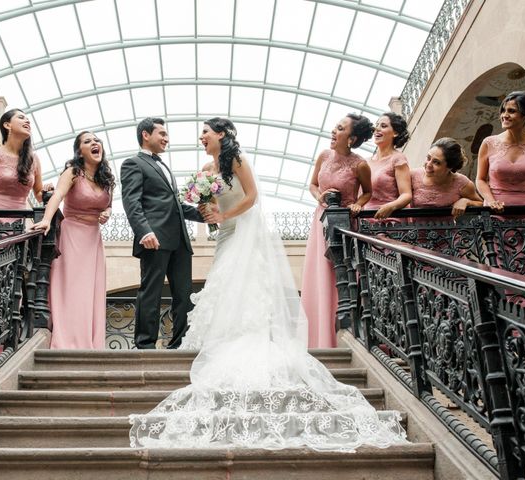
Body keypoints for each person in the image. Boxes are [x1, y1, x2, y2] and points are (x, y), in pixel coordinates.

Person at [128, 117, 406, 451]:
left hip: (243, 230)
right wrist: (208, 208)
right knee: (223, 285)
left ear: (222, 135)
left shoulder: (238, 160)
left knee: (242, 284)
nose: (201, 137)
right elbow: (206, 202)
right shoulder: (206, 166)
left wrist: (225, 216)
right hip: (225, 234)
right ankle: (220, 336)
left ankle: (243, 337)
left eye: (206, 132)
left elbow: (253, 197)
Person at [120, 117, 204, 350]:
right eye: (162, 134)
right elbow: (132, 202)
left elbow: (175, 205)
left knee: (184, 294)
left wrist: (203, 214)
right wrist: (144, 232)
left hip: (180, 241)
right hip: (154, 239)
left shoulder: (164, 166)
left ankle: (180, 342)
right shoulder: (133, 163)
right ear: (146, 135)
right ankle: (145, 344)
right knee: (151, 292)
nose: (167, 139)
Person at [31, 131, 114, 349]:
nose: (95, 142)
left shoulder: (107, 179)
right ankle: (68, 338)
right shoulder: (73, 172)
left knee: (89, 290)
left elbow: (108, 205)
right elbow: (57, 195)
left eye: (97, 140)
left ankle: (90, 341)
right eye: (88, 141)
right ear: (79, 151)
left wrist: (107, 213)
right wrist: (47, 220)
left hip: (93, 239)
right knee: (71, 287)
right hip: (71, 234)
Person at [301, 114, 373, 349]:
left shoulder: (360, 164)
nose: (333, 131)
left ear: (351, 138)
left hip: (343, 225)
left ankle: (343, 334)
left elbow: (367, 192)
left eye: (340, 128)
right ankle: (318, 338)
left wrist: (357, 204)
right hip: (320, 221)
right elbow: (312, 185)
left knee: (339, 275)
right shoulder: (323, 155)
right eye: (335, 126)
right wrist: (318, 196)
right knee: (319, 275)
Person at [0, 109, 51, 223]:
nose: (27, 122)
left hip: (17, 220)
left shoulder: (34, 159)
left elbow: (38, 194)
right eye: (21, 118)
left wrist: (47, 190)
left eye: (28, 120)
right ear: (7, 125)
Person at [476, 91, 525, 212]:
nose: (504, 115)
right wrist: (490, 201)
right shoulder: (488, 143)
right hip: (496, 212)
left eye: (511, 111)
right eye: (503, 110)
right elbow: (480, 179)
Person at [411, 137, 483, 217]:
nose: (428, 164)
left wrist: (466, 201)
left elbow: (482, 204)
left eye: (436, 162)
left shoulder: (462, 183)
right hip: (412, 228)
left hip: (447, 229)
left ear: (450, 167)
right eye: (428, 158)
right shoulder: (413, 175)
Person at [364, 112, 412, 219]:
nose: (377, 129)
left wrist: (390, 207)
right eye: (377, 125)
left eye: (383, 126)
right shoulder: (366, 162)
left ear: (395, 133)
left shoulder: (398, 159)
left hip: (390, 221)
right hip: (365, 220)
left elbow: (406, 195)